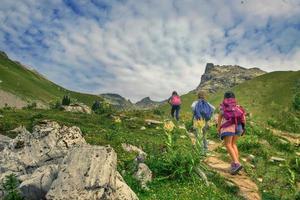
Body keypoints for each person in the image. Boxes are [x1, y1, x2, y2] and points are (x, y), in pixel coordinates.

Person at [217, 91, 246, 175]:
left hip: (229, 126)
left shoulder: (223, 106)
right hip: (239, 126)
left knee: (228, 144)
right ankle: (236, 163)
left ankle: (236, 163)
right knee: (234, 144)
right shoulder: (238, 106)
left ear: (225, 98)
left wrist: (218, 127)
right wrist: (243, 128)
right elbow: (243, 117)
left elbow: (220, 116)